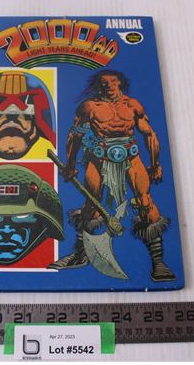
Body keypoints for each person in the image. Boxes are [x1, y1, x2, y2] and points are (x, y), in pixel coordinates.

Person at [48, 70, 175, 281]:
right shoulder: (90, 106)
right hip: (98, 158)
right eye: (104, 82)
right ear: (99, 85)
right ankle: (80, 254)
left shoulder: (133, 105)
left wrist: (156, 164)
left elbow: (149, 134)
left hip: (131, 158)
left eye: (113, 81)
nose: (109, 85)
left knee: (145, 202)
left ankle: (159, 263)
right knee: (91, 204)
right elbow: (74, 136)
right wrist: (70, 164)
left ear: (120, 83)